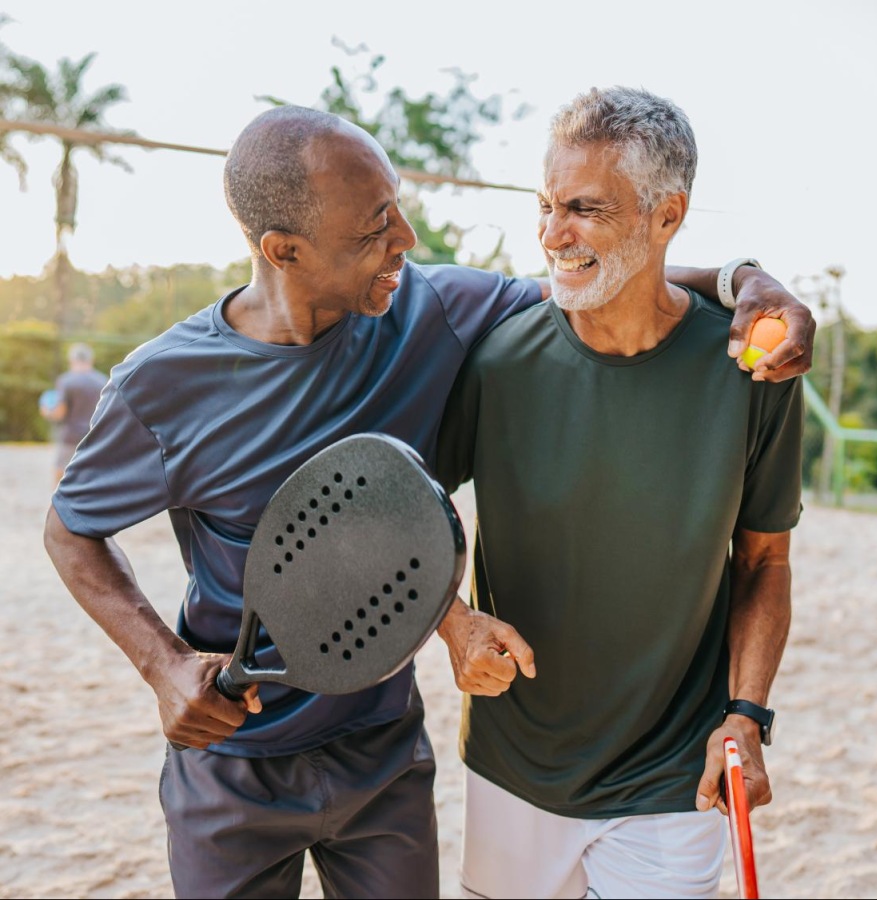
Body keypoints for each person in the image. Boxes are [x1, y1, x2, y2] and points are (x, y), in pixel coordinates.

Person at [44, 104, 812, 900]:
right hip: (232, 760)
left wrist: (746, 281)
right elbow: (70, 532)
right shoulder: (163, 385)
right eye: (376, 227)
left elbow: (606, 278)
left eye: (397, 208)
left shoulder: (432, 309)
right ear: (284, 250)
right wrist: (163, 664)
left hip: (382, 750)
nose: (406, 239)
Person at [436, 86, 803, 900]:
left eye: (584, 209)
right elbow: (406, 510)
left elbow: (765, 562)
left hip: (675, 774)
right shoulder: (497, 360)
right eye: (545, 205)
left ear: (666, 216)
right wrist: (451, 623)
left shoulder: (752, 369)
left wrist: (747, 712)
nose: (551, 235)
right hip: (512, 765)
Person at [39, 342, 107, 484]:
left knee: (61, 470)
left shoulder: (66, 381)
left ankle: (58, 498)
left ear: (71, 360)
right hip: (94, 435)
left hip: (70, 436)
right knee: (91, 474)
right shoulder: (103, 381)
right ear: (91, 359)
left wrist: (47, 412)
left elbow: (60, 413)